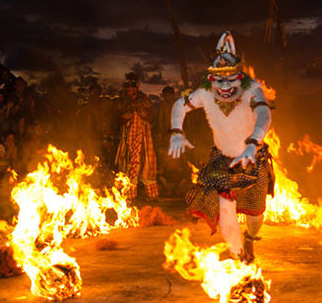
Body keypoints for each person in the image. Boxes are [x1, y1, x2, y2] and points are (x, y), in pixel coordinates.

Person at [168, 32, 273, 263]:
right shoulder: (205, 92)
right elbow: (180, 105)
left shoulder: (251, 89)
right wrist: (176, 131)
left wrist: (253, 144)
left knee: (255, 214)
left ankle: (249, 240)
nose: (225, 86)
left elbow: (264, 114)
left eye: (230, 79)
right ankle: (237, 253)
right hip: (222, 161)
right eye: (219, 80)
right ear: (211, 78)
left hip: (253, 159)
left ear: (240, 77)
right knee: (226, 208)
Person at [114, 77, 158, 201]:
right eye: (128, 87)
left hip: (143, 136)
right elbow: (117, 118)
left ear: (137, 87)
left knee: (146, 163)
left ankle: (151, 195)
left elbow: (151, 116)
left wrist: (144, 115)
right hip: (128, 137)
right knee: (128, 163)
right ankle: (129, 195)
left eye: (132, 87)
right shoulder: (121, 101)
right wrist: (125, 117)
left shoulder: (144, 99)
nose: (130, 89)